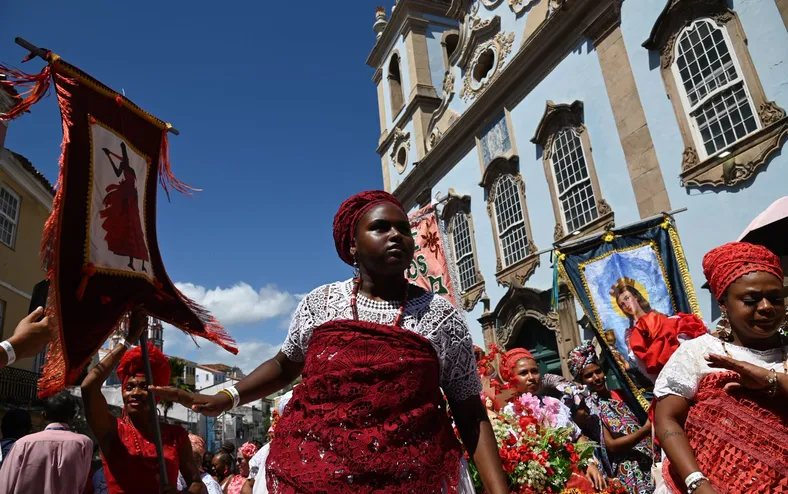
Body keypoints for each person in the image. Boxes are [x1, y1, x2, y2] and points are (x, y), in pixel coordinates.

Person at [152, 190, 509, 493]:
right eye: (381, 227)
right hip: (314, 476)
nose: (396, 235)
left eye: (403, 228)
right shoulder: (321, 303)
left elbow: (469, 410)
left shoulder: (442, 317)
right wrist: (224, 397)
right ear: (353, 244)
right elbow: (283, 365)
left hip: (416, 478)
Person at [654, 242, 788, 494]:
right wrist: (697, 482)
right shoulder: (697, 353)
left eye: (776, 298)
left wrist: (772, 379)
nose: (766, 307)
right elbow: (667, 419)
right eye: (750, 300)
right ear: (724, 303)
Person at [81, 308, 202, 494]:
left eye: (144, 387)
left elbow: (196, 483)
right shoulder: (111, 430)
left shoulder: (176, 436)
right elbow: (88, 387)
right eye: (129, 387)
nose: (135, 393)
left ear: (157, 394)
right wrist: (128, 341)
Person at [497, 347, 607, 492]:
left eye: (534, 371)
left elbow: (577, 436)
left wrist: (590, 463)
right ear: (510, 377)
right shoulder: (508, 414)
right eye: (523, 373)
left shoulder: (555, 403)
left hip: (574, 478)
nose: (531, 377)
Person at [568, 341, 654, 493]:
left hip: (650, 456)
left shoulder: (622, 393)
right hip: (629, 469)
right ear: (580, 381)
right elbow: (612, 445)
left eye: (598, 371)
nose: (596, 377)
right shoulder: (590, 408)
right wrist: (646, 429)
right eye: (588, 376)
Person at [610, 280, 707, 382]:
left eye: (627, 298)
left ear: (635, 296)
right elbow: (639, 361)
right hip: (664, 373)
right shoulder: (631, 334)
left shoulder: (659, 316)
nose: (626, 305)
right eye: (622, 305)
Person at [0, 391, 92, 492]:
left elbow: (5, 487)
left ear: (43, 415)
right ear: (73, 415)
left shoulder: (22, 444)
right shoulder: (84, 444)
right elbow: (81, 485)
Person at [100, 142, 149, 272]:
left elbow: (123, 162)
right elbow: (117, 173)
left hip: (130, 197)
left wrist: (121, 148)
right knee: (131, 227)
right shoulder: (127, 168)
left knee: (134, 227)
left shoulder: (129, 168)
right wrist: (109, 156)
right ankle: (134, 263)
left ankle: (140, 263)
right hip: (129, 197)